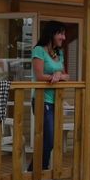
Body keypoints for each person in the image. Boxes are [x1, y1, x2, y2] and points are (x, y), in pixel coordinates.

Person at [30, 20, 69, 170]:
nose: (63, 37)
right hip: (41, 100)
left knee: (50, 139)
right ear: (52, 34)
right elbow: (39, 76)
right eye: (61, 33)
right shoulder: (39, 50)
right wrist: (55, 75)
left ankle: (34, 172)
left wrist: (59, 74)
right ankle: (38, 172)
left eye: (64, 34)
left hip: (56, 101)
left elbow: (65, 75)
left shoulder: (59, 53)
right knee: (49, 139)